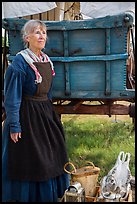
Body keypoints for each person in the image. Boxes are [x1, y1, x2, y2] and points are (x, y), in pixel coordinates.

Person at [2, 19, 70, 202]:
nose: (42, 36)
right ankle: (29, 197)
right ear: (27, 37)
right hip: (27, 116)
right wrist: (15, 125)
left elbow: (46, 92)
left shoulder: (46, 60)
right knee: (33, 159)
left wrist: (51, 118)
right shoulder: (20, 63)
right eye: (37, 32)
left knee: (54, 153)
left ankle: (51, 195)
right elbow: (12, 98)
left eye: (44, 32)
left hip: (45, 113)